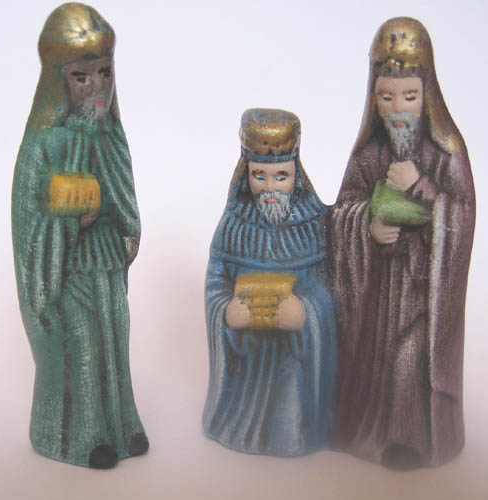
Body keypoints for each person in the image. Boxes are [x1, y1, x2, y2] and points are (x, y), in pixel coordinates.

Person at [330, 17, 475, 469]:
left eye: (409, 97)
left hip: (421, 294)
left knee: (410, 358)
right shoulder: (370, 152)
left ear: (427, 95)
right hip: (376, 291)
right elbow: (342, 210)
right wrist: (365, 227)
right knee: (374, 363)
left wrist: (420, 188)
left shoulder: (447, 152)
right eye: (386, 96)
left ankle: (410, 438)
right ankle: (363, 430)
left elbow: (462, 214)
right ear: (373, 97)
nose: (397, 109)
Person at [12, 3, 148, 468]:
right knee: (84, 347)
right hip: (67, 268)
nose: (97, 87)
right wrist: (70, 221)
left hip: (106, 261)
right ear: (59, 81)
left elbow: (122, 192)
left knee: (116, 340)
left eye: (105, 73)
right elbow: (28, 225)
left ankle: (123, 426)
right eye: (81, 77)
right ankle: (84, 438)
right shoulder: (43, 145)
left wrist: (127, 229)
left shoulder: (110, 136)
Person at [203, 108, 336, 456]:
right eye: (259, 175)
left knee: (288, 430)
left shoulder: (316, 225)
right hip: (246, 358)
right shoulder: (232, 225)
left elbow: (333, 288)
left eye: (281, 176)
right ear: (246, 172)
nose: (270, 187)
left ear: (296, 175)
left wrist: (307, 311)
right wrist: (225, 311)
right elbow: (216, 284)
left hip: (294, 357)